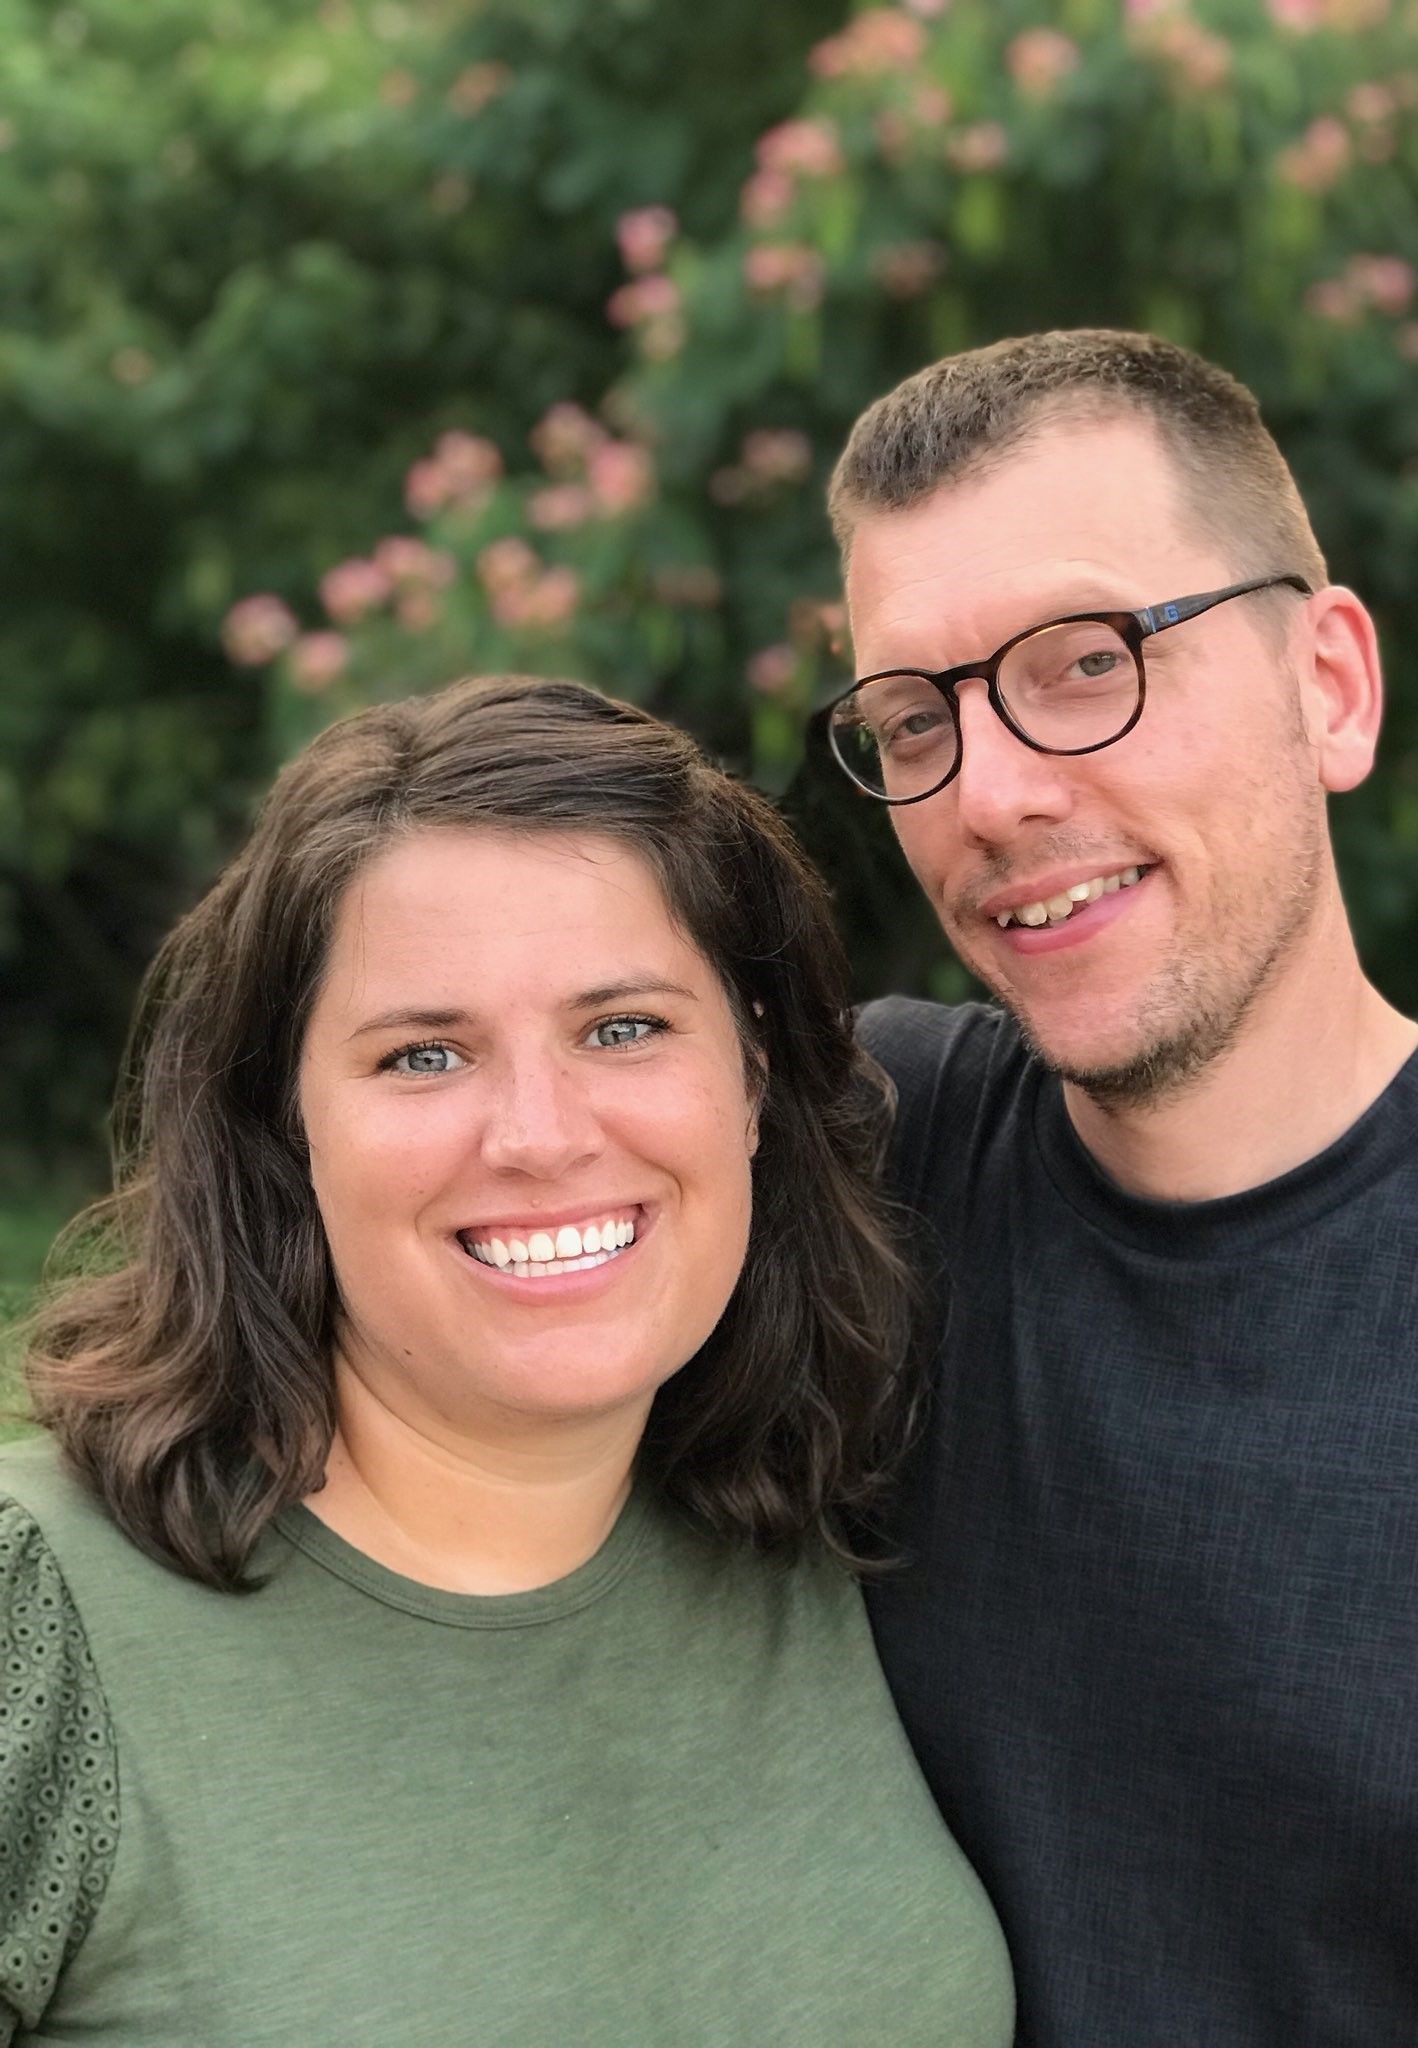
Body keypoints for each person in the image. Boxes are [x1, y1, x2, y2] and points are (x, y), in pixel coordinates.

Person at [0, 675, 1014, 2048]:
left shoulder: (831, 1542)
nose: (538, 1135)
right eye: (424, 1056)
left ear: (755, 1081)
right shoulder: (41, 1619)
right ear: (286, 1124)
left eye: (623, 1028)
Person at [815, 330, 1418, 2048]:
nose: (990, 794)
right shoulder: (854, 1168)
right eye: (917, 717)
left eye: (1083, 664)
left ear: (1332, 688)